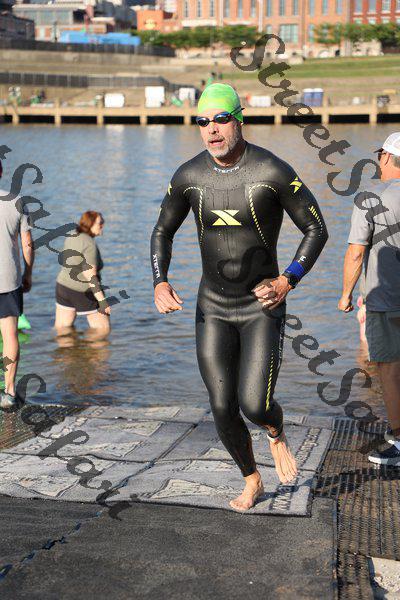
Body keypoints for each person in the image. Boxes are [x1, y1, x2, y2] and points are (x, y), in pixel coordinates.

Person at [151, 83, 328, 511]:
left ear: (239, 120)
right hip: (212, 306)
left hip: (261, 304)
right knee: (221, 404)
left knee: (256, 405)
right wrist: (160, 281)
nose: (211, 129)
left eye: (221, 119)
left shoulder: (272, 170)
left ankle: (275, 431)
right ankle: (252, 479)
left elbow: (316, 228)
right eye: (202, 121)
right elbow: (162, 231)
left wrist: (287, 280)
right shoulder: (189, 176)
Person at [339, 132, 400, 465]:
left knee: (389, 369)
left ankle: (399, 441)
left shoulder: (370, 197)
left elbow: (356, 252)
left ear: (387, 157)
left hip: (386, 300)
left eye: (380, 155)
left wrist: (345, 294)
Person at [0, 158, 34, 408]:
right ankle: (9, 391)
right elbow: (27, 244)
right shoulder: (17, 201)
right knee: (10, 335)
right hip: (8, 280)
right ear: (1, 171)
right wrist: (28, 274)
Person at [55, 210, 111, 337]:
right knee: (102, 332)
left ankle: (68, 350)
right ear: (90, 224)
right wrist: (102, 301)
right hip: (84, 292)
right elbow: (90, 276)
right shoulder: (89, 244)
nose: (103, 225)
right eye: (100, 223)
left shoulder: (72, 234)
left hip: (63, 287)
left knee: (63, 330)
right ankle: (91, 349)